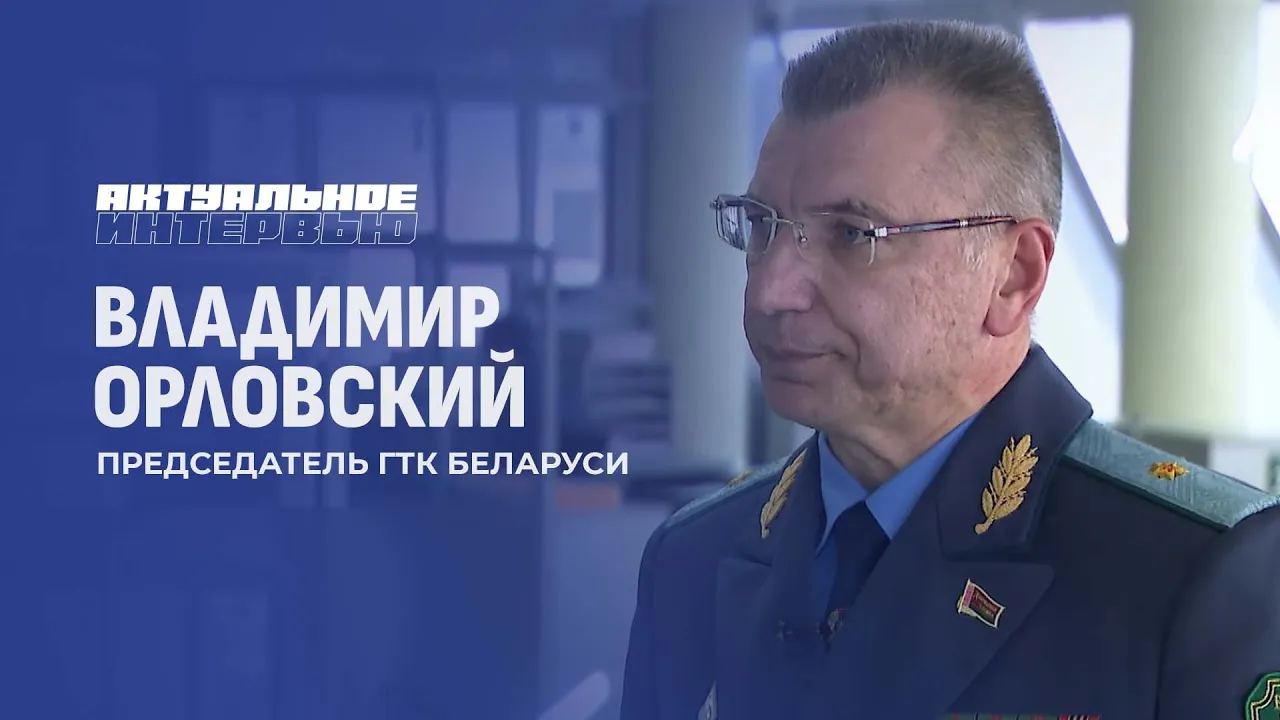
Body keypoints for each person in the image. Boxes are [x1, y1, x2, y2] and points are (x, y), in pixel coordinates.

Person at [620, 19, 1280, 720]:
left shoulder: (1194, 570)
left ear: (1013, 276)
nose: (772, 292)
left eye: (852, 234)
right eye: (762, 224)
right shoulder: (693, 555)